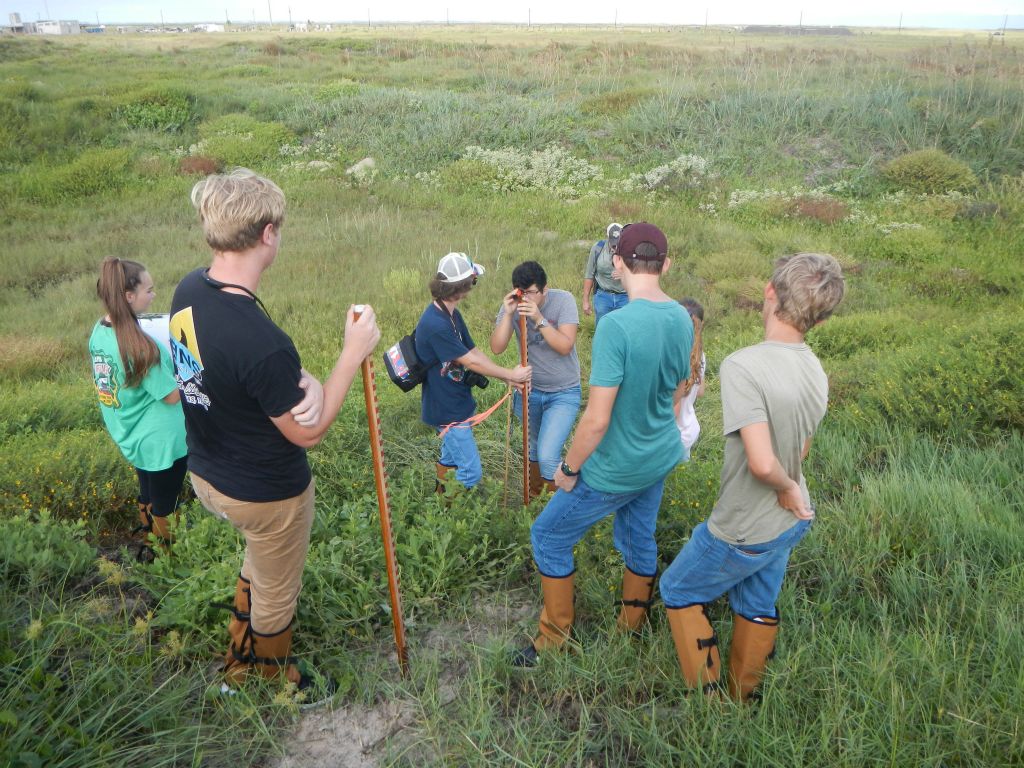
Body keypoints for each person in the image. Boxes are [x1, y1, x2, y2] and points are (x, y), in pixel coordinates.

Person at [169, 168, 381, 694]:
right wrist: (351, 355)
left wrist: (303, 380)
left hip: (205, 474)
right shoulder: (262, 341)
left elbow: (197, 376)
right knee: (277, 588)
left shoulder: (188, 289)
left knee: (260, 563)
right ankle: (266, 678)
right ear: (267, 234)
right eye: (279, 230)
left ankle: (241, 646)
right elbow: (308, 434)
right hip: (266, 493)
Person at [659, 253, 845, 702]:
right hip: (788, 524)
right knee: (755, 602)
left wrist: (784, 487)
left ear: (768, 291)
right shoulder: (815, 368)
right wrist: (794, 488)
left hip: (744, 525)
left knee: (678, 589)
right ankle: (745, 696)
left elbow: (763, 464)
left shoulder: (743, 365)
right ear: (819, 320)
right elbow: (799, 448)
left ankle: (709, 704)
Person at [513, 223, 693, 666]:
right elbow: (678, 389)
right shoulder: (682, 317)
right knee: (637, 537)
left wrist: (568, 470)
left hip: (616, 466)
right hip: (659, 454)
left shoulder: (616, 326)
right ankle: (630, 628)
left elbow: (595, 420)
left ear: (616, 262)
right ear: (665, 264)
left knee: (548, 534)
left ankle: (553, 637)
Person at [89, 257, 188, 557]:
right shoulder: (140, 347)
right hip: (163, 439)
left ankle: (147, 536)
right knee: (166, 501)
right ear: (129, 297)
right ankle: (164, 554)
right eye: (149, 289)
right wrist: (192, 373)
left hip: (132, 432)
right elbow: (171, 396)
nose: (154, 295)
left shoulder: (99, 333)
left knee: (148, 488)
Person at [415, 252, 532, 493]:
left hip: (455, 403)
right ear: (463, 287)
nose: (473, 287)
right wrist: (510, 374)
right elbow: (471, 362)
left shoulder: (450, 314)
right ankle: (454, 519)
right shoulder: (435, 324)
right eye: (473, 282)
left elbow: (474, 352)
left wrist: (507, 376)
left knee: (449, 461)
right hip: (447, 411)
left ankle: (440, 510)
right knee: (470, 471)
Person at [490, 260, 581, 497]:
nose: (526, 299)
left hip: (563, 392)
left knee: (548, 455)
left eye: (531, 293)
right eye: (521, 293)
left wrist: (539, 319)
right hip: (529, 392)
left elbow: (565, 346)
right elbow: (497, 347)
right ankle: (534, 502)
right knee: (532, 450)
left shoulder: (564, 301)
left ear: (544, 289)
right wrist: (508, 314)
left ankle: (559, 509)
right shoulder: (514, 305)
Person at [675, 298, 706, 463]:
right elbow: (700, 392)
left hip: (672, 435)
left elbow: (674, 407)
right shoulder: (700, 355)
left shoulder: (674, 356)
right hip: (689, 429)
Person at [582, 222, 627, 324]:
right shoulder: (597, 248)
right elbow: (589, 274)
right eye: (613, 244)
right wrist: (585, 301)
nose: (615, 247)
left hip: (625, 297)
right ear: (608, 238)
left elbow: (639, 274)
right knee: (602, 327)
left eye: (618, 243)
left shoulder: (630, 250)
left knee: (623, 328)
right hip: (603, 296)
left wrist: (625, 275)